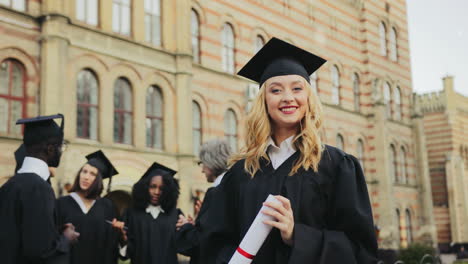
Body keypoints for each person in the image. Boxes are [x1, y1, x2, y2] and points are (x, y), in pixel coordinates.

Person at [199, 37, 378, 264]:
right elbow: (213, 242)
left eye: (297, 88)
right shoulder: (241, 172)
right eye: (275, 90)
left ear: (308, 98)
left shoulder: (337, 166)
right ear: (263, 100)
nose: (288, 98)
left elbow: (360, 250)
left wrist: (297, 235)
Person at [0, 114, 80, 264]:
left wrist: (55, 231)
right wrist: (66, 239)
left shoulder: (8, 186)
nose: (61, 152)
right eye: (60, 147)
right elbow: (41, 251)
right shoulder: (39, 188)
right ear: (50, 149)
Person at [56, 150, 122, 264]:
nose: (86, 177)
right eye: (84, 171)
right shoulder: (62, 203)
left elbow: (111, 246)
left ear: (99, 180)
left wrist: (119, 234)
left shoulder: (107, 207)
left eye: (92, 174)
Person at [176, 139, 233, 264]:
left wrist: (185, 226)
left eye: (202, 163)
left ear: (211, 162)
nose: (202, 170)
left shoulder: (216, 193)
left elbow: (202, 241)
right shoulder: (233, 189)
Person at [118, 162, 183, 264]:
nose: (156, 192)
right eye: (152, 186)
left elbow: (184, 247)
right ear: (144, 187)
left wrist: (190, 228)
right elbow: (125, 255)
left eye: (161, 188)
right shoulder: (132, 214)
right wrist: (123, 240)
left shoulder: (175, 215)